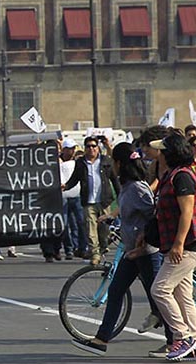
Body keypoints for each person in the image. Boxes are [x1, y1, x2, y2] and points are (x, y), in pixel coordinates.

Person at [72, 143, 172, 355]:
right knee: (116, 291)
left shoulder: (137, 187)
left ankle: (175, 341)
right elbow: (131, 213)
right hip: (132, 252)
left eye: (113, 162)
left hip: (146, 252)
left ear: (119, 163)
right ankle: (101, 340)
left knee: (160, 299)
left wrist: (143, 238)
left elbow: (153, 214)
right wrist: (115, 220)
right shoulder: (127, 186)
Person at [149, 134, 196, 362]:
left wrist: (178, 244)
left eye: (161, 151)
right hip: (178, 245)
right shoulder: (171, 176)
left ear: (169, 154)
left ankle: (183, 338)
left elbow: (187, 213)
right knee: (183, 295)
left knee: (160, 289)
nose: (158, 155)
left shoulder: (182, 177)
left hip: (187, 245)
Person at [62, 137, 117, 265]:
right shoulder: (81, 162)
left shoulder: (105, 161)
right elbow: (75, 179)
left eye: (93, 146)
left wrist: (121, 195)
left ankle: (102, 247)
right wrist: (66, 186)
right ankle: (95, 254)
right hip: (88, 201)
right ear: (85, 148)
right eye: (88, 146)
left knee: (104, 231)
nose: (91, 149)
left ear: (98, 148)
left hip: (104, 201)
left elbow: (114, 179)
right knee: (90, 229)